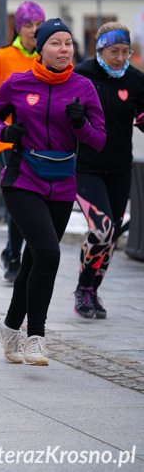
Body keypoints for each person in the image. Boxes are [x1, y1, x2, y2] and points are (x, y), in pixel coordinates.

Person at [0, 19, 105, 366]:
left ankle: (8, 327)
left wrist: (81, 123)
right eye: (56, 43)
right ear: (41, 48)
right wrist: (8, 133)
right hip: (23, 180)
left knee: (35, 259)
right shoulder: (19, 82)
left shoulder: (84, 87)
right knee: (48, 254)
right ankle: (36, 336)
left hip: (63, 183)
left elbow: (99, 139)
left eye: (69, 43)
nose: (64, 49)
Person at [71, 22, 144, 319]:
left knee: (110, 235)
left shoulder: (136, 80)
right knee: (100, 230)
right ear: (100, 49)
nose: (120, 58)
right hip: (86, 168)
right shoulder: (81, 75)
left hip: (119, 169)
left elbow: (140, 117)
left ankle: (93, 290)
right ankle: (82, 287)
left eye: (126, 51)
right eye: (114, 51)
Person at [0, 2, 45, 282]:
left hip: (40, 140)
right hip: (7, 140)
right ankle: (14, 258)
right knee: (18, 198)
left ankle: (13, 252)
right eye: (28, 25)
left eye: (38, 25)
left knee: (34, 199)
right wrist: (2, 109)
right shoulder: (4, 56)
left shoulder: (47, 55)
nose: (33, 30)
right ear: (19, 28)